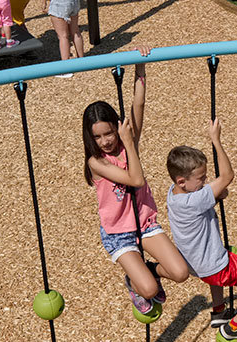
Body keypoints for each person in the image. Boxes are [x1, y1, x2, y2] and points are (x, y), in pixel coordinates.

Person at [82, 46, 189, 315]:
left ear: (116, 127)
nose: (106, 141)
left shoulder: (126, 143)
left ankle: (148, 270)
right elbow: (136, 180)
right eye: (98, 137)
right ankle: (134, 280)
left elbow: (138, 104)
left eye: (109, 133)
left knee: (180, 273)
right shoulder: (96, 162)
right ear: (90, 138)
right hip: (119, 234)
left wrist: (140, 67)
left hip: (145, 222)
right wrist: (130, 142)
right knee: (150, 291)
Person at [166, 120, 237, 341]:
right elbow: (227, 177)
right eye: (201, 179)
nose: (205, 181)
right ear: (182, 181)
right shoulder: (195, 200)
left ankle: (218, 311)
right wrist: (216, 140)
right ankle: (234, 328)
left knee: (226, 254)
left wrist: (214, 195)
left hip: (196, 263)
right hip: (216, 266)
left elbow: (210, 197)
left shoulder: (174, 194)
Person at [44, 0, 84, 78]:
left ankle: (65, 69)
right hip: (74, 2)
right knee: (75, 32)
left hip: (60, 4)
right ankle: (82, 62)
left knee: (63, 36)